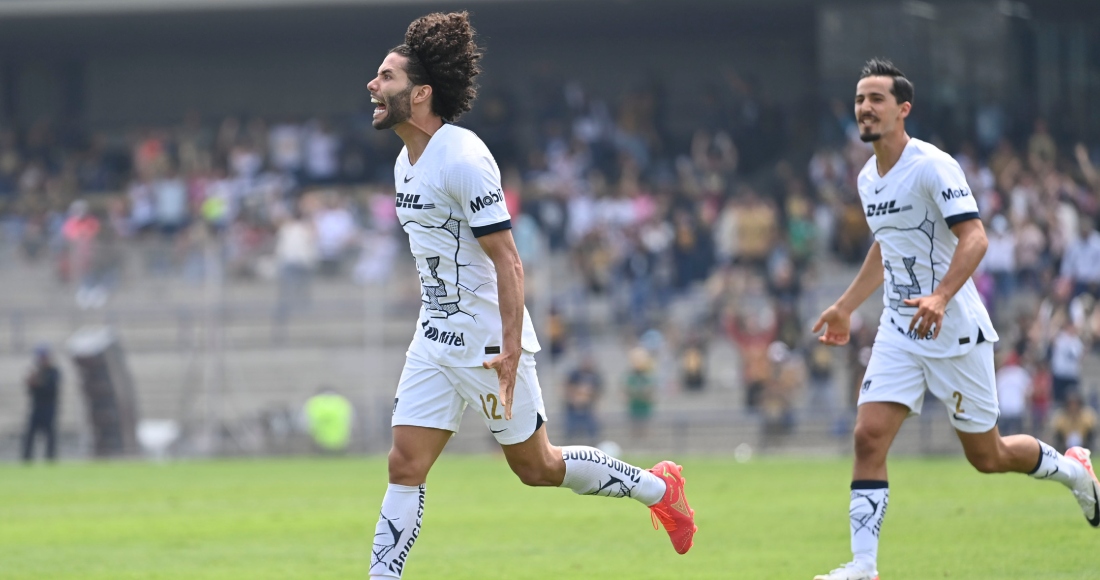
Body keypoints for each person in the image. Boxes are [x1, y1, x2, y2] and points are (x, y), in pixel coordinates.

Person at [364, 13, 696, 579]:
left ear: (420, 93)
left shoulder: (463, 157)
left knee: (537, 467)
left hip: (488, 342)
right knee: (405, 464)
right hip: (434, 338)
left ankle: (659, 488)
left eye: (387, 78)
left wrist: (512, 347)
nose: (374, 85)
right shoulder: (404, 162)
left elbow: (508, 259)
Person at [810, 59, 1099, 580]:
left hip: (953, 328)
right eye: (859, 99)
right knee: (867, 437)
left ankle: (1073, 469)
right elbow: (887, 244)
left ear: (903, 110)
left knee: (987, 456)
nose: (865, 108)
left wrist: (941, 296)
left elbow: (976, 237)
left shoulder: (932, 165)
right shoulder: (866, 178)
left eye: (876, 99)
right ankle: (863, 566)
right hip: (900, 328)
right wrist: (847, 305)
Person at [22, 345, 61, 463]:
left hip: (49, 408)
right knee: (30, 434)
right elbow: (31, 392)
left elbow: (51, 389)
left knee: (50, 435)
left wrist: (38, 383)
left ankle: (50, 458)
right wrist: (31, 383)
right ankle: (26, 458)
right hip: (36, 408)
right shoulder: (36, 371)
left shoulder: (54, 372)